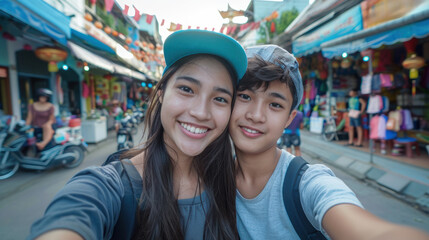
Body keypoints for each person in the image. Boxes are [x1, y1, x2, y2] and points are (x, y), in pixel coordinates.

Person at [28, 29, 248, 240]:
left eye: (220, 99)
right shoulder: (110, 186)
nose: (200, 112)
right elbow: (73, 215)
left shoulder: (230, 180)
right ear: (161, 94)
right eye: (187, 89)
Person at [229, 45, 429, 239]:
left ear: (290, 119)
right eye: (245, 96)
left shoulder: (307, 184)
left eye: (275, 104)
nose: (256, 116)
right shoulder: (212, 177)